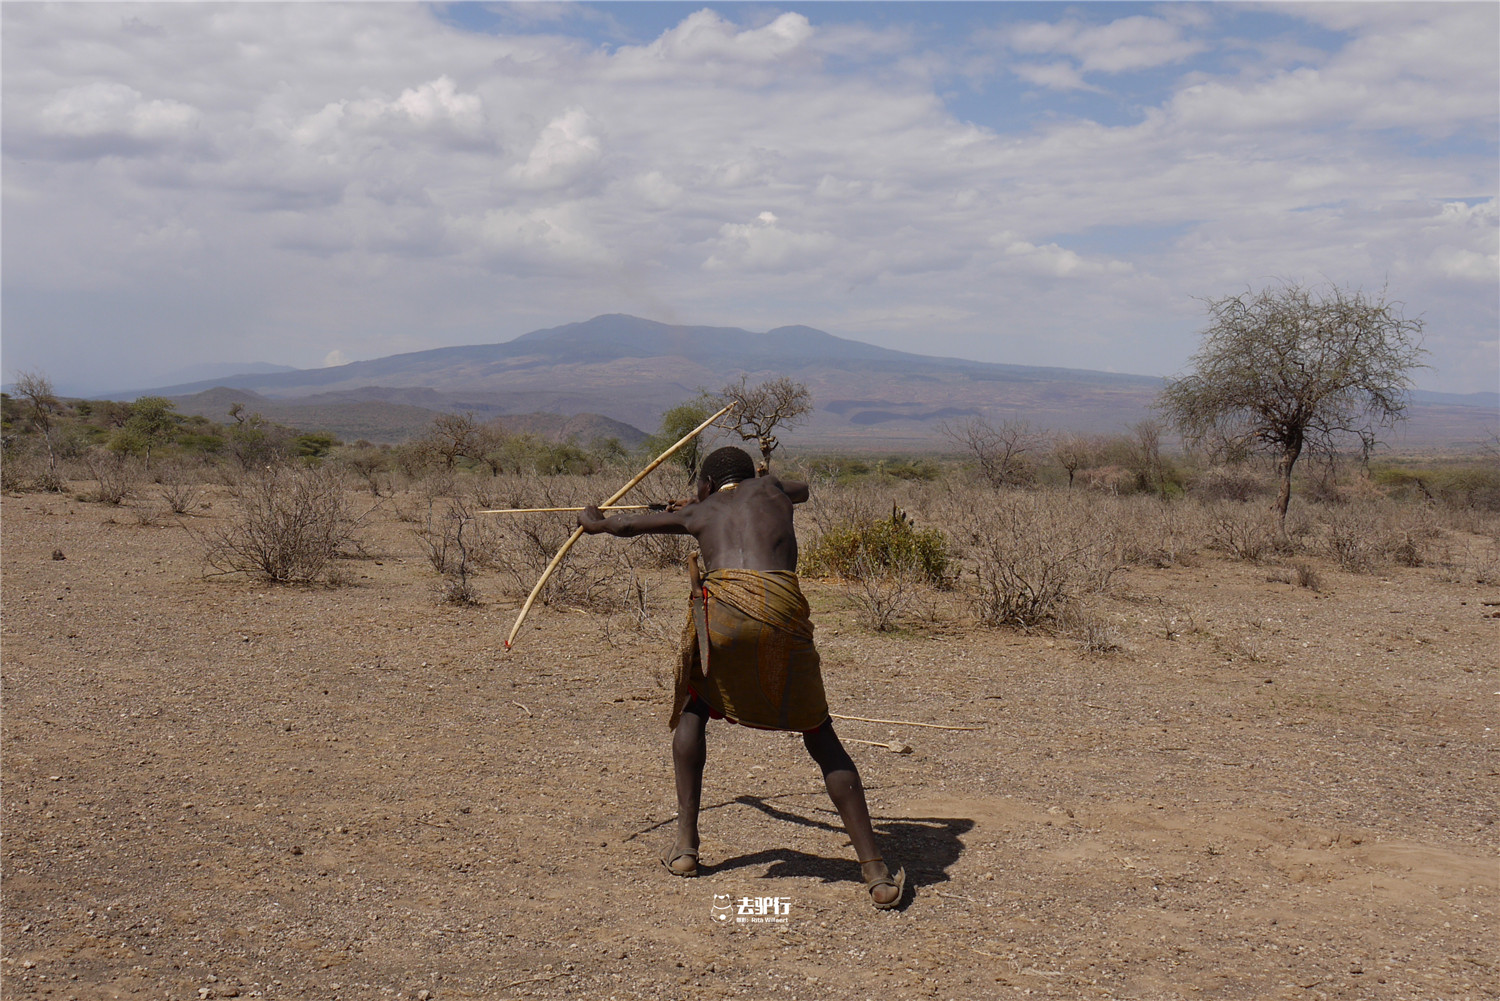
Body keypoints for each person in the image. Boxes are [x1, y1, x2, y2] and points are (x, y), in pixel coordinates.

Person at [578, 446, 904, 909]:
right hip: (781, 616)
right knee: (820, 734)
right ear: (751, 476)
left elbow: (626, 526)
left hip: (724, 617)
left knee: (694, 708)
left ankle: (686, 848)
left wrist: (596, 522)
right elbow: (802, 489)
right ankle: (875, 871)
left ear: (707, 485)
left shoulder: (701, 509)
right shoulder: (772, 489)